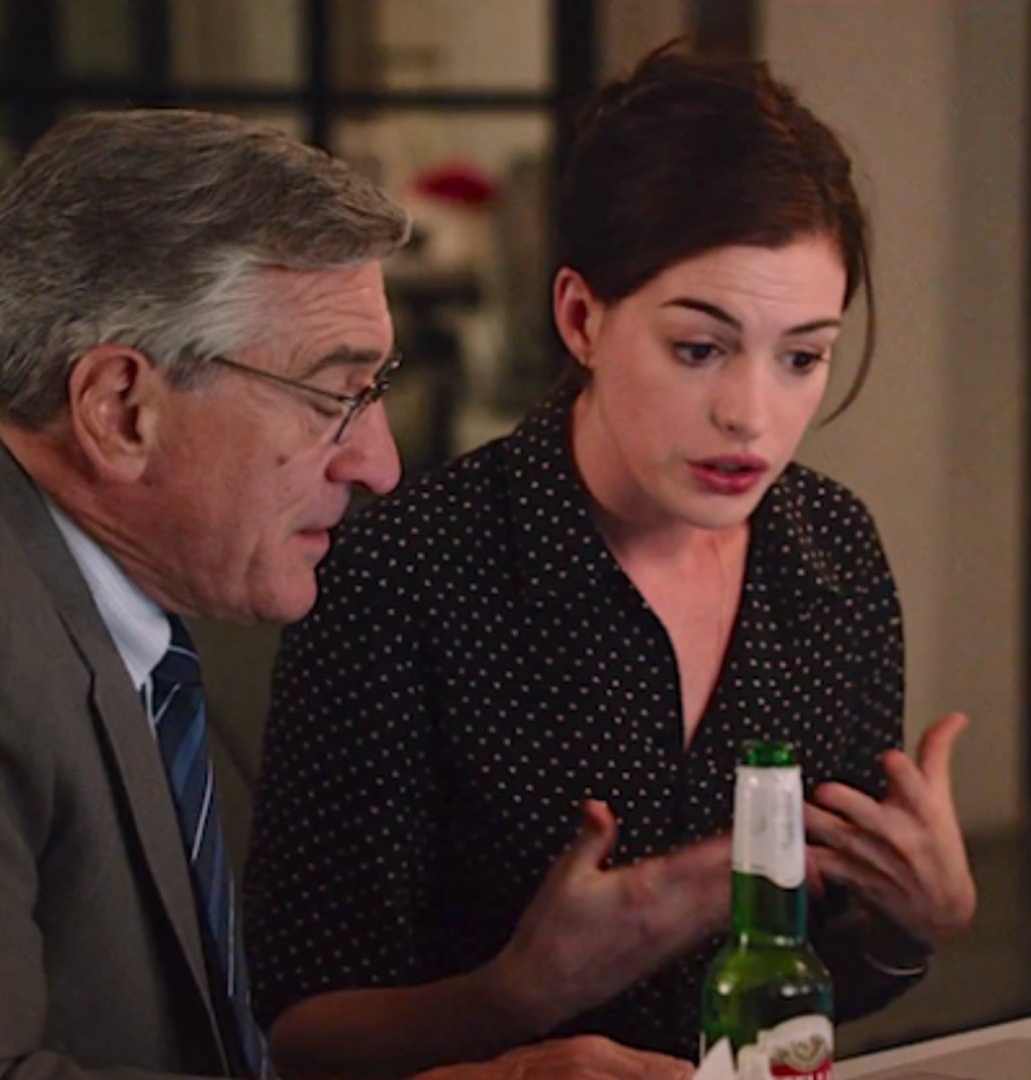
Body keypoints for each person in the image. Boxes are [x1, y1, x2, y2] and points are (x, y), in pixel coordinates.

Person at [0, 109, 690, 1080]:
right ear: (121, 407)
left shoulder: (54, 586)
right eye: (335, 396)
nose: (379, 464)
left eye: (377, 391)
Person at [243, 49, 979, 1077]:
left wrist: (911, 928)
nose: (751, 414)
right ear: (581, 318)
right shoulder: (405, 577)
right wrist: (520, 998)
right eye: (699, 349)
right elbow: (293, 1036)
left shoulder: (830, 557)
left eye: (801, 357)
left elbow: (797, 991)